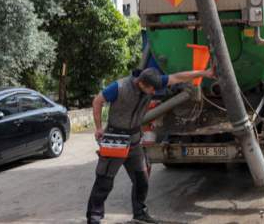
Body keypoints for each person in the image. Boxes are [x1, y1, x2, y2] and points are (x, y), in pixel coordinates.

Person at [87, 67, 215, 224]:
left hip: (134, 140)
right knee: (104, 181)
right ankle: (94, 217)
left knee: (142, 179)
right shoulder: (118, 87)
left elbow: (178, 76)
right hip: (116, 139)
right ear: (141, 83)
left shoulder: (152, 80)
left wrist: (204, 73)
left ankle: (140, 213)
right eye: (151, 89)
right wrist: (99, 127)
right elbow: (97, 101)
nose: (154, 92)